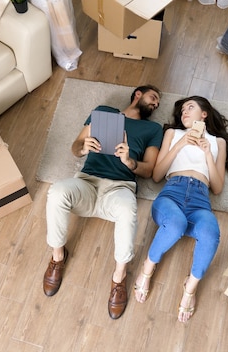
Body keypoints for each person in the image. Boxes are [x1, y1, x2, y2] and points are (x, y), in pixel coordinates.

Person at [43, 85, 163, 320]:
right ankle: (58, 257)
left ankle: (119, 277)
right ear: (137, 94)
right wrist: (82, 148)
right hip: (87, 182)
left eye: (158, 102)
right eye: (153, 97)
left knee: (129, 211)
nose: (156, 103)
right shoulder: (104, 112)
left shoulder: (153, 128)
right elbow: (75, 146)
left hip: (119, 188)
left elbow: (149, 170)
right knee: (56, 192)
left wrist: (129, 161)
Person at [133, 96, 228, 323]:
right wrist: (181, 144)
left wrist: (207, 155)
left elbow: (218, 188)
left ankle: (190, 288)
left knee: (211, 234)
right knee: (175, 224)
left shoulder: (217, 142)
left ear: (204, 114)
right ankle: (147, 268)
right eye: (182, 110)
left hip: (201, 200)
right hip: (171, 194)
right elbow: (156, 175)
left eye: (190, 108)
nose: (184, 113)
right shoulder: (173, 134)